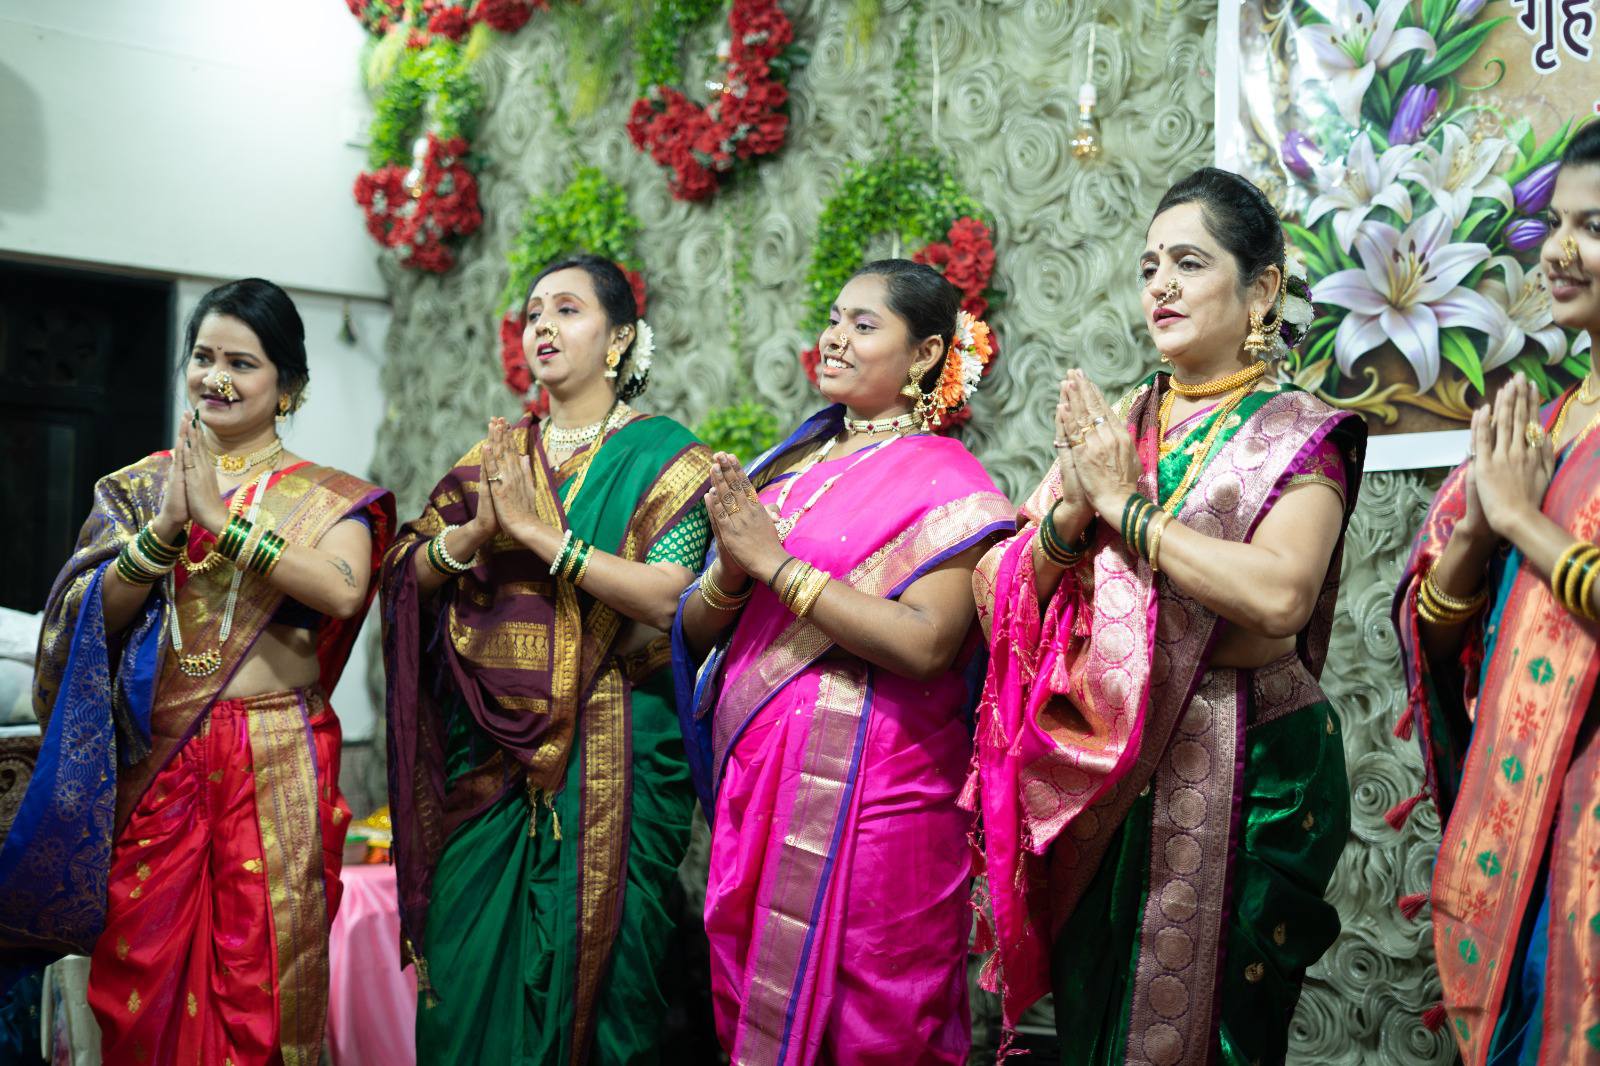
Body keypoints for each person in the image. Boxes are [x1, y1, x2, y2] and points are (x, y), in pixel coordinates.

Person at [965, 168, 1366, 1065]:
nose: (1161, 286)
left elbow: (1276, 597)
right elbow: (997, 600)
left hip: (1242, 768)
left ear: (1261, 288)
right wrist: (1070, 520)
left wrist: (1129, 513)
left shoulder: (1298, 431)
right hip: (1099, 775)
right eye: (1150, 267)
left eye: (1189, 263)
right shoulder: (1122, 425)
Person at [0, 278, 394, 1065]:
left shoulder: (328, 497)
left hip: (275, 754)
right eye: (204, 356)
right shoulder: (142, 487)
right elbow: (84, 619)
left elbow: (345, 591)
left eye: (241, 362)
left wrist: (224, 522)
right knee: (142, 977)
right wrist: (166, 532)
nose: (215, 375)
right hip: (163, 761)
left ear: (288, 387)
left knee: (268, 980)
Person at [672, 258, 1015, 1064]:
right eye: (835, 318)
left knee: (877, 1023)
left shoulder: (952, 486)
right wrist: (731, 567)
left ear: (926, 354)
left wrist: (777, 565)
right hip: (756, 784)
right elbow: (693, 632)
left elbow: (928, 645)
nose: (835, 337)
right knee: (749, 1000)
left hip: (880, 801)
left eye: (865, 326)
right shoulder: (781, 469)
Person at [381, 253, 713, 1064]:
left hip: (615, 744)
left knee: (603, 994)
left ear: (619, 339)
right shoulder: (492, 461)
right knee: (463, 989)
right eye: (533, 314)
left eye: (567, 311)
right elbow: (405, 575)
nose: (542, 328)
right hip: (489, 759)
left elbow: (670, 599)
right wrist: (472, 536)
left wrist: (546, 542)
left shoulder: (669, 461)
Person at [1392, 121, 1600, 1065]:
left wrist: (1522, 521)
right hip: (1527, 818)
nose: (1559, 248)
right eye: (1558, 221)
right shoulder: (1542, 424)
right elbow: (1435, 636)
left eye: (1593, 227)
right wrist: (1480, 527)